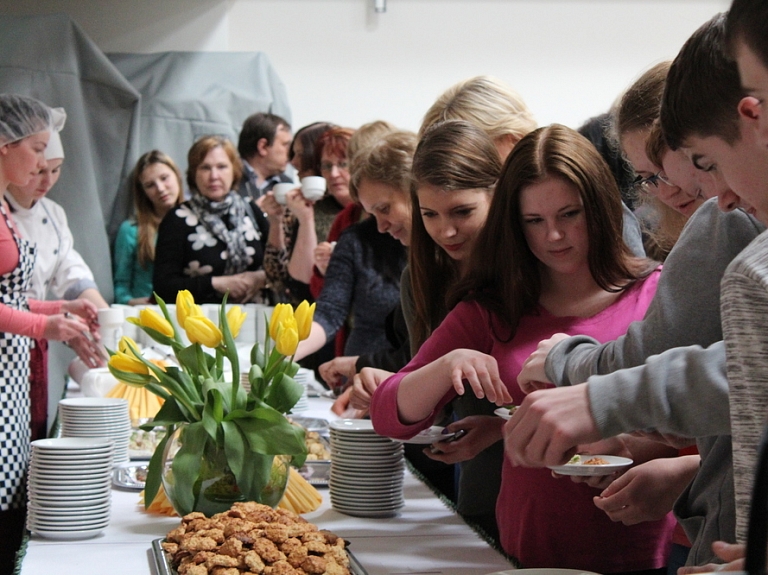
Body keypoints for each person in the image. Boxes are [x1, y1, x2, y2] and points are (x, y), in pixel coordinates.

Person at [506, 13, 766, 570]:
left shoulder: (733, 233)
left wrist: (584, 380)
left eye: (705, 164)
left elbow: (744, 370)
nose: (711, 195)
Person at [370, 124, 674, 572]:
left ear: (601, 208)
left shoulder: (656, 292)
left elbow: (707, 429)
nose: (554, 236)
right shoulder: (495, 307)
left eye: (569, 214)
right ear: (514, 224)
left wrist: (625, 443)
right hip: (529, 548)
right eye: (534, 221)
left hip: (644, 550)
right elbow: (388, 412)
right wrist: (446, 366)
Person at [0, 94, 99, 574]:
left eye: (50, 160)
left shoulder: (40, 214)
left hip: (16, 367)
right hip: (6, 364)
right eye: (37, 151)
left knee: (14, 492)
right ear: (4, 145)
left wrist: (65, 305)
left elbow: (24, 291)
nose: (43, 168)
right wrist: (46, 323)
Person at [4, 107, 105, 441]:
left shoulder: (52, 214)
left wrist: (98, 315)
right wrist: (46, 323)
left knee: (25, 441)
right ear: (6, 146)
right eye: (37, 161)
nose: (44, 178)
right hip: (13, 337)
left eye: (55, 170)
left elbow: (70, 269)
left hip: (25, 346)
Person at [317, 130, 416, 398]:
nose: (381, 226)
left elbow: (423, 354)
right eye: (372, 213)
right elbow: (329, 310)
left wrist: (358, 364)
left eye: (385, 209)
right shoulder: (358, 238)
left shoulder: (441, 257)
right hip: (369, 385)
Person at [153, 135, 269, 304]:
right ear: (193, 174)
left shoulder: (251, 210)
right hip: (200, 323)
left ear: (234, 170)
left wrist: (259, 278)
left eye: (222, 167)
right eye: (205, 168)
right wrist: (217, 283)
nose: (214, 176)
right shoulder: (177, 219)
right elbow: (163, 287)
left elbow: (278, 267)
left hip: (254, 319)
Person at [262, 121, 339, 304]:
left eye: (301, 154)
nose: (294, 162)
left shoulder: (347, 208)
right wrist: (275, 222)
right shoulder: (297, 204)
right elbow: (277, 277)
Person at [113, 150, 183, 305]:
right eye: (150, 185)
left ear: (177, 175)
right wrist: (134, 302)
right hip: (149, 315)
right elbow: (120, 286)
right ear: (143, 192)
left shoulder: (197, 224)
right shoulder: (131, 230)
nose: (161, 188)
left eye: (164, 178)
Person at [236, 112, 293, 200]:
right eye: (285, 145)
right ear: (262, 147)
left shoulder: (286, 185)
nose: (291, 152)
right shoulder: (227, 178)